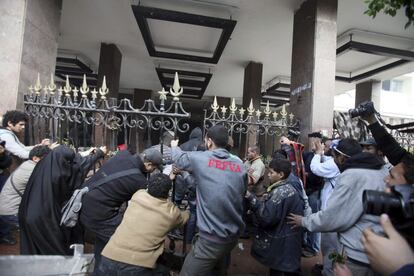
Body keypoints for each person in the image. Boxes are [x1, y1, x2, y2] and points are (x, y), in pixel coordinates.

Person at [288, 138, 388, 275]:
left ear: (342, 157)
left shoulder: (351, 175)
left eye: (334, 157)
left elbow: (331, 218)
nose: (333, 160)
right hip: (376, 250)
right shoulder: (381, 171)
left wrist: (303, 221)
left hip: (357, 254)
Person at [171, 125, 247, 276]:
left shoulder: (201, 158)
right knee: (218, 268)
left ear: (209, 142)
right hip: (232, 234)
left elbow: (178, 160)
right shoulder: (240, 165)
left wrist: (174, 146)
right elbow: (242, 192)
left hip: (212, 238)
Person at [80, 148, 163, 270]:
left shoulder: (123, 155)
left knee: (103, 237)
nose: (153, 171)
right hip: (98, 211)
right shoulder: (139, 181)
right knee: (119, 240)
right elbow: (149, 200)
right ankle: (105, 270)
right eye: (154, 168)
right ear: (148, 164)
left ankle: (98, 268)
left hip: (85, 198)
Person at [18, 145, 105, 255]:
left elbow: (76, 166)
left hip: (27, 211)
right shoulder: (59, 172)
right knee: (55, 248)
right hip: (43, 218)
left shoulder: (44, 164)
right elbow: (77, 171)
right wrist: (98, 154)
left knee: (33, 248)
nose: (70, 164)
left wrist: (91, 154)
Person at [98, 173, 189, 276]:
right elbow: (184, 218)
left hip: (108, 258)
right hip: (136, 266)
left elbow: (153, 187)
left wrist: (167, 177)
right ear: (167, 192)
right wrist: (189, 211)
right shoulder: (171, 213)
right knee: (164, 272)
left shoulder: (137, 196)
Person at [246, 158, 303, 276]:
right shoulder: (287, 188)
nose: (268, 174)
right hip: (288, 243)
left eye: (271, 172)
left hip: (283, 245)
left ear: (281, 174)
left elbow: (266, 217)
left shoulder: (281, 192)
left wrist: (251, 198)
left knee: (281, 272)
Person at [0, 145, 51, 245]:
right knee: (41, 227)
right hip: (10, 212)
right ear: (35, 158)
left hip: (7, 207)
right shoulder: (32, 169)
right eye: (47, 159)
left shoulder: (28, 164)